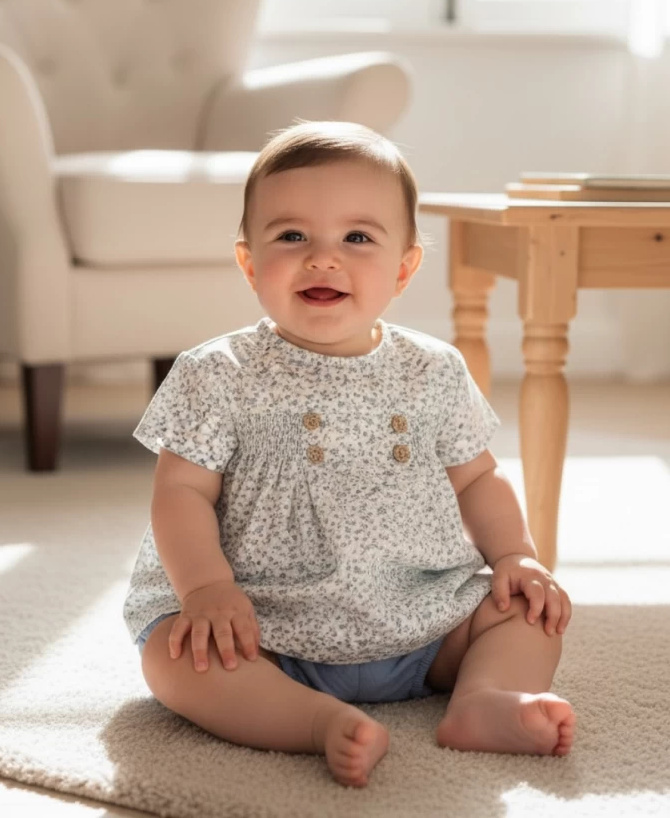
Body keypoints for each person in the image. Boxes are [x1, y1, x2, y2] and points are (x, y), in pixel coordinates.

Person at [123, 120, 575, 789]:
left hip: (422, 618)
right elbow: (180, 493)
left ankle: (485, 701)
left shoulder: (433, 369)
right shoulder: (216, 373)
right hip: (263, 628)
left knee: (529, 611)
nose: (323, 258)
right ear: (250, 262)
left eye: (357, 238)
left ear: (404, 266)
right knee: (173, 657)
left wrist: (516, 556)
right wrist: (206, 590)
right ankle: (310, 721)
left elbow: (478, 475)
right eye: (292, 236)